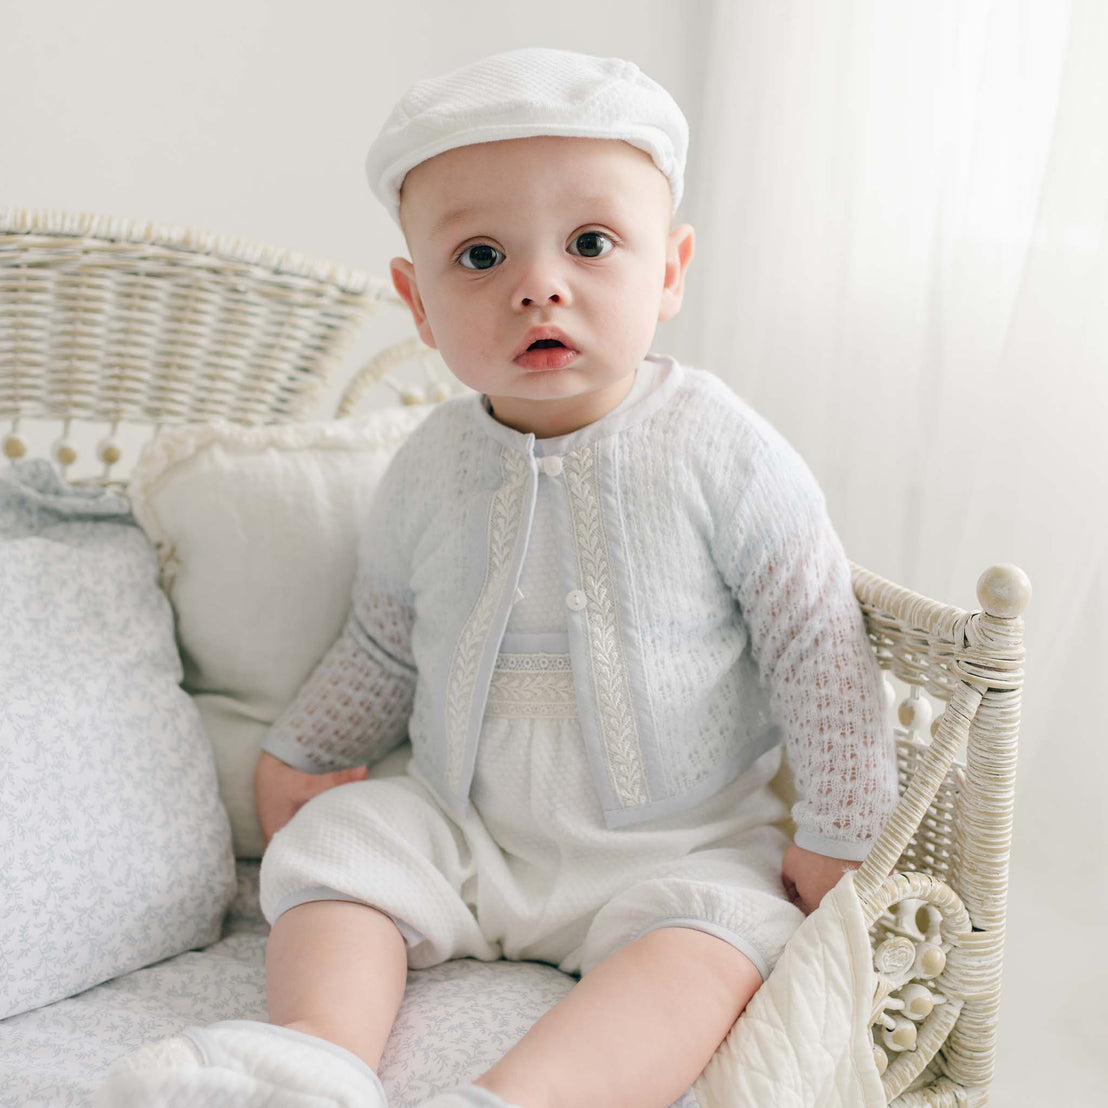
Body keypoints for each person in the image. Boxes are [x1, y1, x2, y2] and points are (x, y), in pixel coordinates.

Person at [96, 46, 899, 1108]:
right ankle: (310, 1059)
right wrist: (306, 750)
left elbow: (815, 643)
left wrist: (839, 831)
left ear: (667, 269)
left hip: (676, 841)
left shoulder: (722, 448)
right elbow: (384, 637)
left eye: (592, 243)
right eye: (479, 256)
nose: (538, 284)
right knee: (341, 853)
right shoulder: (429, 466)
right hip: (463, 827)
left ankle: (522, 1097)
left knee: (721, 940)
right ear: (416, 302)